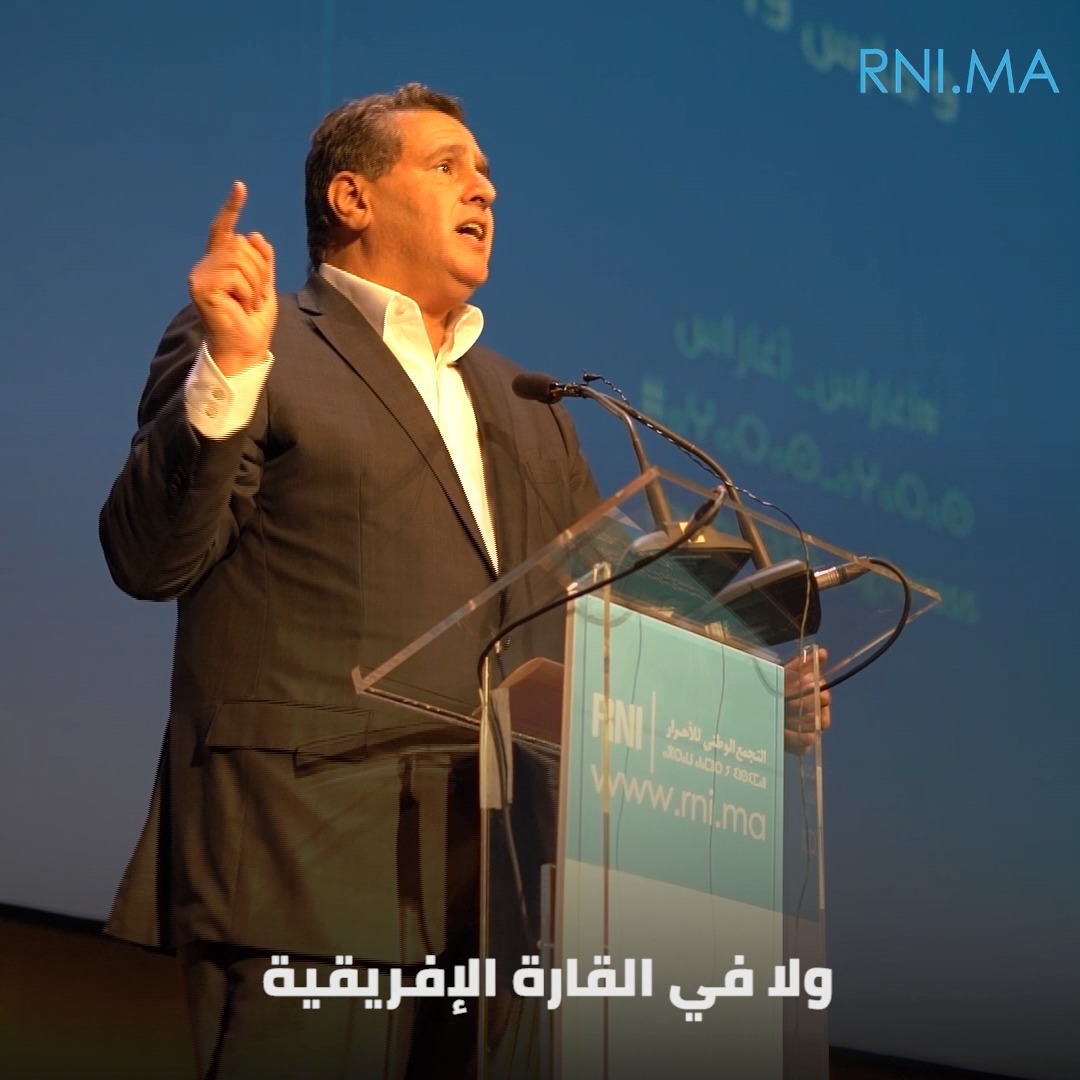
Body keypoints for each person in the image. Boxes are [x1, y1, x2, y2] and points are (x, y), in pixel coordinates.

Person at [101, 83, 830, 1078]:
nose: (483, 188)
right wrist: (228, 370)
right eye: (447, 166)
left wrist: (739, 704)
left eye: (485, 173)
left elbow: (597, 619)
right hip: (306, 867)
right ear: (352, 198)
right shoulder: (261, 342)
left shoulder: (532, 407)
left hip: (504, 897)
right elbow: (148, 557)